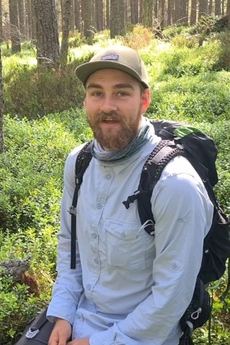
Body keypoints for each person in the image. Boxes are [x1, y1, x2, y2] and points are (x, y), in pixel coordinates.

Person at [46, 45, 214, 345]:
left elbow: (170, 299)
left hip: (145, 336)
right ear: (85, 100)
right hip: (79, 317)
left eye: (121, 93)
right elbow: (69, 246)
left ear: (144, 100)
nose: (107, 106)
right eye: (97, 93)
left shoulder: (175, 185)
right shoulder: (79, 163)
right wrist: (62, 313)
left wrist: (97, 342)